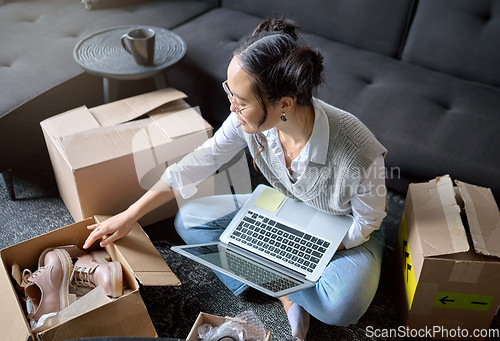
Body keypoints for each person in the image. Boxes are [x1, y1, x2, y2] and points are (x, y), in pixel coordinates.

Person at [83, 18, 388, 341]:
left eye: (241, 102)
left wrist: (308, 248)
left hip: (344, 229)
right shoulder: (250, 123)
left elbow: (366, 223)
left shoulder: (359, 152)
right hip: (287, 207)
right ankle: (288, 294)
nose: (232, 107)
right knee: (189, 220)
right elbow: (199, 161)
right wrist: (131, 215)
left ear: (284, 104)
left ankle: (276, 279)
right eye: (230, 92)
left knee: (343, 305)